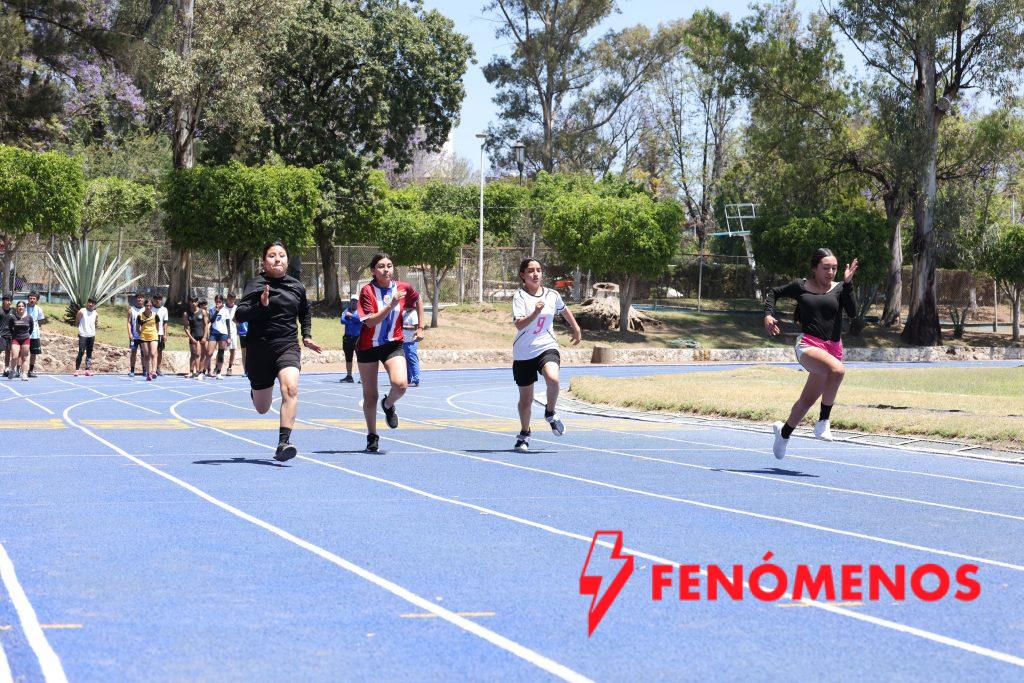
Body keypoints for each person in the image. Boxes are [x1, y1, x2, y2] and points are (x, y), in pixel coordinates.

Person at [764, 248, 859, 460]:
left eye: (834, 268)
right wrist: (768, 315)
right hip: (808, 345)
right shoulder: (801, 286)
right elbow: (773, 292)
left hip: (833, 348)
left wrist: (848, 283)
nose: (830, 272)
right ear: (814, 268)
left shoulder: (840, 288)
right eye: (826, 268)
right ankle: (823, 421)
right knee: (838, 370)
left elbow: (853, 313)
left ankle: (783, 434)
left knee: (806, 401)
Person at [234, 241, 323, 461]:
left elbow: (305, 312)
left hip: (287, 345)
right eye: (272, 255)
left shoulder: (296, 286)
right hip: (259, 349)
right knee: (262, 408)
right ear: (264, 261)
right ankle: (256, 390)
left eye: (281, 255)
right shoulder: (255, 285)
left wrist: (307, 335)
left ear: (287, 260)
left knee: (290, 388)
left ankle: (283, 443)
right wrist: (260, 305)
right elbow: (240, 315)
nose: (277, 259)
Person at [510, 258, 582, 452]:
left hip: (546, 345)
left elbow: (564, 309)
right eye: (531, 271)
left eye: (539, 270)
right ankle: (524, 433)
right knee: (526, 401)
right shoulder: (519, 296)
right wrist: (535, 312)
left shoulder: (552, 294)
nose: (535, 274)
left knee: (553, 379)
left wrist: (576, 328)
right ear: (523, 275)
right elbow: (519, 324)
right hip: (524, 352)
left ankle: (550, 412)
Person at [356, 253, 420, 453]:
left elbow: (417, 299)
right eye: (381, 266)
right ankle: (372, 436)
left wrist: (420, 327)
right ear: (373, 271)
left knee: (401, 385)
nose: (386, 270)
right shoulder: (367, 291)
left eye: (389, 266)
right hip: (368, 346)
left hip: (393, 344)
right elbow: (370, 322)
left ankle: (388, 404)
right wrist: (391, 305)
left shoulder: (403, 288)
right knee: (370, 396)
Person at [401, 289, 425, 387]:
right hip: (404, 341)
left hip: (411, 341)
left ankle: (416, 379)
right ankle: (408, 379)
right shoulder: (405, 313)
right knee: (406, 361)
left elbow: (415, 327)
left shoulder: (413, 314)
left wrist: (403, 327)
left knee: (412, 360)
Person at [8, 301, 34, 381]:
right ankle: (12, 370)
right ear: (17, 307)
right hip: (16, 339)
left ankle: (24, 374)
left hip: (25, 339)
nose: (21, 307)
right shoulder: (13, 317)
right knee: (14, 356)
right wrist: (14, 335)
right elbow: (10, 328)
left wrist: (27, 335)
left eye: (22, 306)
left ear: (25, 308)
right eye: (19, 306)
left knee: (24, 357)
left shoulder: (29, 317)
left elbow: (31, 328)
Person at [183, 297, 208, 379]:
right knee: (194, 354)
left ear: (197, 302)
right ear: (189, 302)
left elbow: (206, 325)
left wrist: (204, 337)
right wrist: (191, 338)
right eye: (192, 301)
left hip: (202, 336)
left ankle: (200, 371)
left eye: (195, 301)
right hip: (193, 336)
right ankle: (192, 371)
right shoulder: (186, 313)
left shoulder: (203, 311)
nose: (193, 303)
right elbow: (185, 328)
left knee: (203, 354)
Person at [207, 294, 231, 379]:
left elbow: (228, 325)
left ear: (222, 302)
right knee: (209, 353)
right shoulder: (212, 309)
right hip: (213, 333)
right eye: (217, 301)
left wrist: (229, 337)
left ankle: (218, 372)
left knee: (221, 353)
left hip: (223, 334)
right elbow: (211, 320)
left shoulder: (226, 311)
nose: (218, 303)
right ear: (215, 301)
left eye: (220, 301)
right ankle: (206, 371)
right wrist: (217, 311)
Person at [136, 299, 159, 381]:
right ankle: (148, 373)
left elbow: (157, 326)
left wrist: (155, 333)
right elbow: (137, 328)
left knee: (153, 353)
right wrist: (141, 334)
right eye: (147, 306)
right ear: (144, 306)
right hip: (144, 336)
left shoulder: (155, 315)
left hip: (153, 336)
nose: (148, 307)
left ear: (152, 306)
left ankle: (154, 371)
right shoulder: (140, 316)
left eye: (150, 306)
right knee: (146, 355)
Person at [339, 296, 362, 383]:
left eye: (355, 301)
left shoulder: (361, 311)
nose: (353, 302)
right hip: (348, 338)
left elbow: (360, 319)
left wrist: (351, 316)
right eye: (352, 301)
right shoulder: (346, 310)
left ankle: (362, 377)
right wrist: (353, 319)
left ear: (358, 302)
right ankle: (349, 376)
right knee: (348, 357)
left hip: (358, 338)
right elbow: (342, 320)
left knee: (361, 357)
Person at [74, 298, 98, 376]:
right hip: (83, 334)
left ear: (95, 305)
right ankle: (77, 370)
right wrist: (81, 330)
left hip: (91, 335)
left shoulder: (96, 314)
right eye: (89, 302)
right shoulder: (82, 311)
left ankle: (87, 370)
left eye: (92, 303)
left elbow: (95, 323)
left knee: (89, 352)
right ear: (87, 303)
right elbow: (77, 322)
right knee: (81, 351)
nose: (90, 304)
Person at [25, 291, 46, 377]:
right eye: (30, 298)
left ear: (36, 300)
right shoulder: (23, 307)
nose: (32, 300)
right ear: (28, 299)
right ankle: (19, 370)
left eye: (34, 298)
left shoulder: (39, 309)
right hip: (24, 334)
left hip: (35, 335)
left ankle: (30, 370)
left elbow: (41, 321)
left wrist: (36, 328)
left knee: (33, 353)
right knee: (22, 353)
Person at [126, 292, 145, 377]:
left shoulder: (146, 310)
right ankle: (132, 370)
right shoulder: (131, 309)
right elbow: (128, 322)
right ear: (136, 299)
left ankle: (145, 370)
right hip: (134, 336)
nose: (140, 299)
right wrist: (130, 334)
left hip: (144, 336)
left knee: (144, 353)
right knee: (133, 352)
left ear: (144, 299)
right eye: (138, 297)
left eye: (141, 297)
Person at [153, 294, 169, 376]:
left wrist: (165, 334)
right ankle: (151, 369)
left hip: (160, 334)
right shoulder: (150, 308)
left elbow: (165, 323)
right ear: (153, 299)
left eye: (159, 299)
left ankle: (158, 368)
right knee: (152, 352)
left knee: (159, 351)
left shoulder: (164, 309)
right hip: (151, 334)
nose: (158, 300)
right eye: (156, 299)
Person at [224, 292, 238, 376]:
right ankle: (217, 368)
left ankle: (229, 368)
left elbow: (239, 320)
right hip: (223, 332)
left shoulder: (236, 308)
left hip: (233, 332)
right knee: (221, 350)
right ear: (227, 298)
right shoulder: (223, 308)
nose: (231, 299)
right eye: (230, 297)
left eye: (233, 298)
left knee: (233, 350)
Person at [0, 294, 12, 371]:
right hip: (1, 335)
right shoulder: (0, 310)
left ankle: (6, 368)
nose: (9, 302)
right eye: (7, 300)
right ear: (3, 301)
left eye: (10, 300)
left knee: (8, 352)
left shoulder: (13, 311)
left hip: (10, 335)